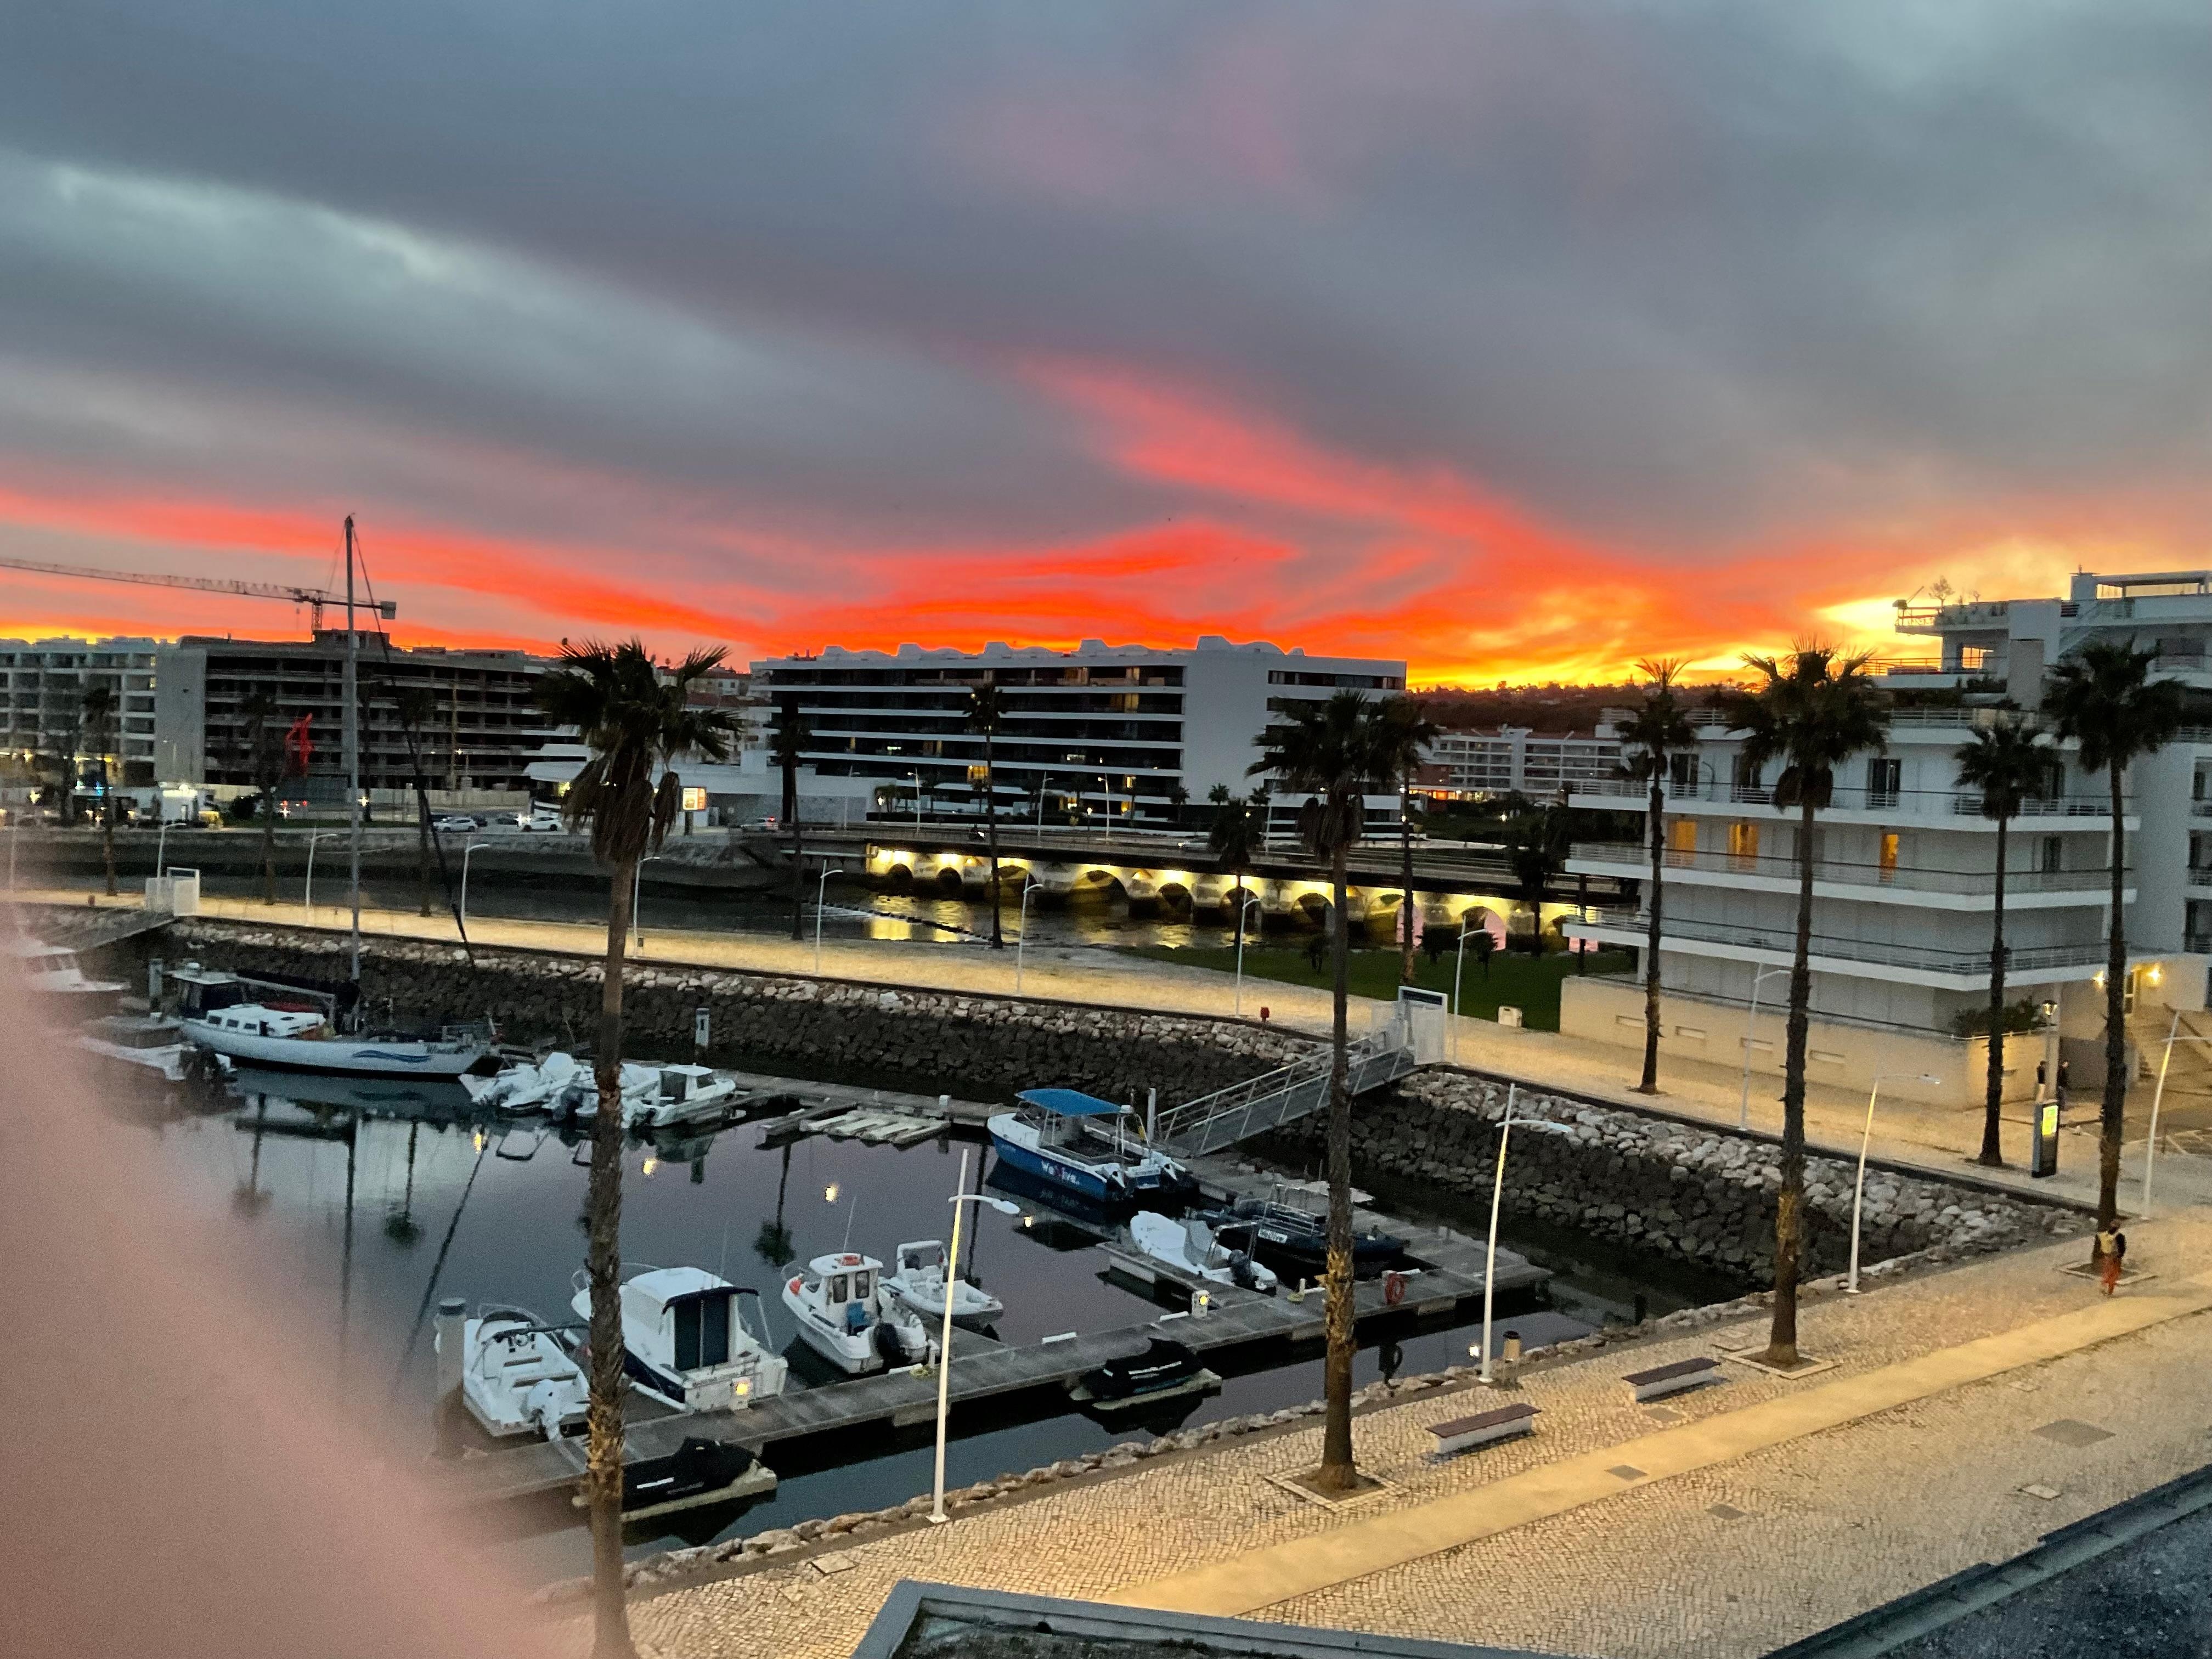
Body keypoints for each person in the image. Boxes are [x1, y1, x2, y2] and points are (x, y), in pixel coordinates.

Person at [2096, 1224, 2128, 1295]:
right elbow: (2122, 1248)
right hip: (2115, 1258)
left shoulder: (2103, 1235)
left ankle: (2103, 1288)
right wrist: (2120, 1256)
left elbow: (2100, 1246)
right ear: (2118, 1228)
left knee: (2107, 1273)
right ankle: (2109, 1292)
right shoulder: (2119, 1236)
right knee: (2114, 1274)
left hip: (2106, 1257)